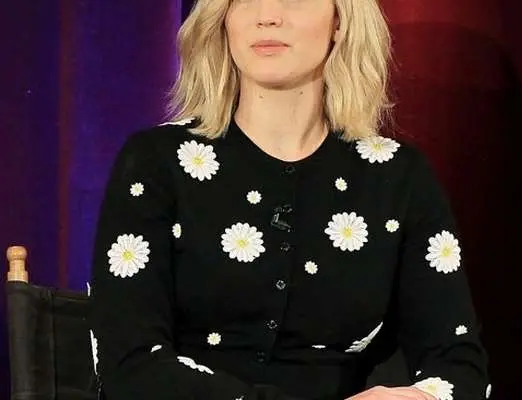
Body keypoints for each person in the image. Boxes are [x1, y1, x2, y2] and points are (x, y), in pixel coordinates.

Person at [89, 0, 490, 399]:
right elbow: (130, 365)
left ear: (340, 21)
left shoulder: (399, 177)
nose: (267, 16)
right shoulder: (156, 162)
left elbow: (458, 364)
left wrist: (419, 397)